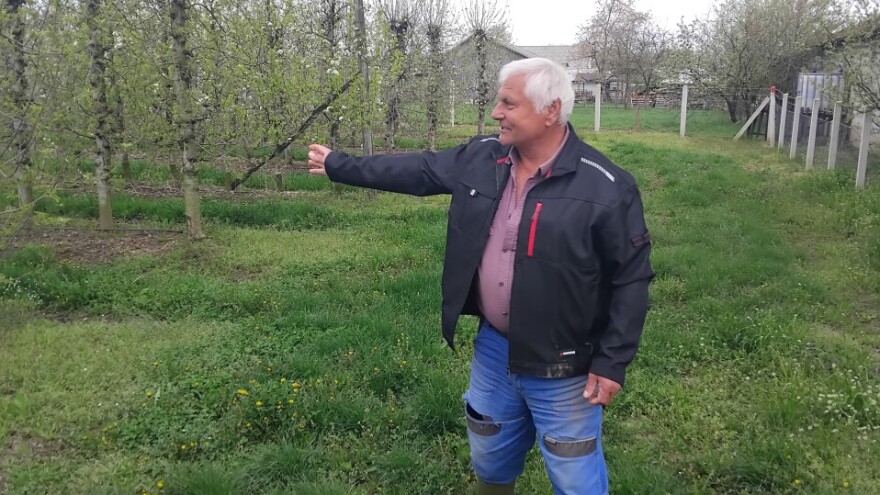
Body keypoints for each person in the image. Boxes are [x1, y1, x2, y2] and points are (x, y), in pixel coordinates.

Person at [307, 58, 653, 495]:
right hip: (495, 348)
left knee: (576, 479)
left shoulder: (606, 187)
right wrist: (341, 165)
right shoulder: (483, 158)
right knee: (489, 459)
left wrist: (612, 362)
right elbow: (419, 170)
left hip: (565, 363)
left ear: (551, 111)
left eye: (508, 103)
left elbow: (631, 278)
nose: (496, 112)